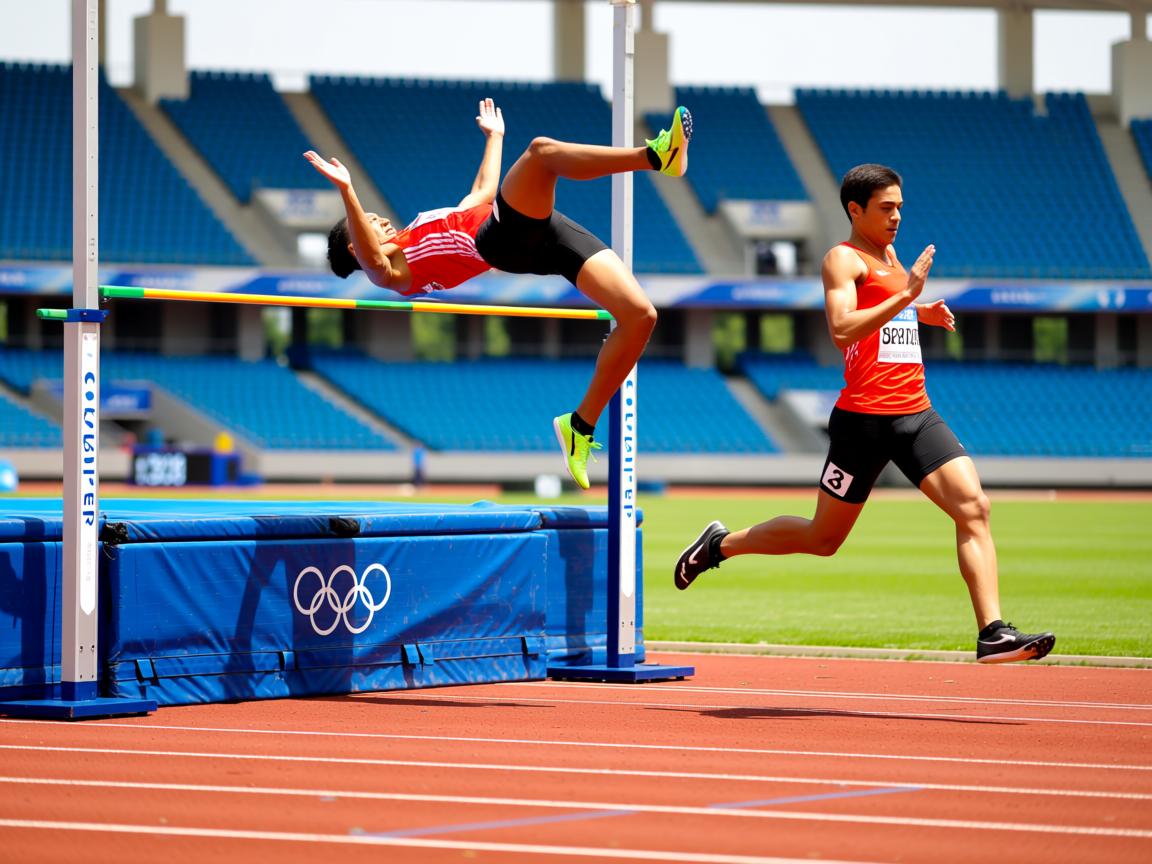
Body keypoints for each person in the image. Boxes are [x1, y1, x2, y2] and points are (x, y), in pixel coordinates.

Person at [674, 163, 1055, 665]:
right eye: (886, 208)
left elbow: (886, 304)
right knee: (822, 538)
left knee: (974, 508)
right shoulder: (842, 259)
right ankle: (720, 545)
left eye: (900, 206)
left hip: (916, 414)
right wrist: (906, 295)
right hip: (863, 424)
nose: (897, 216)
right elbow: (842, 327)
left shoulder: (891, 255)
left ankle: (992, 632)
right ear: (856, 210)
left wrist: (920, 310)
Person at [304, 98, 692, 490]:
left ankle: (580, 425)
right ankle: (657, 157)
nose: (383, 220)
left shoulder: (415, 231)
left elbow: (481, 193)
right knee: (541, 152)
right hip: (499, 241)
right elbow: (371, 259)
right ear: (355, 244)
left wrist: (495, 138)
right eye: (372, 222)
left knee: (641, 316)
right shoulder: (392, 273)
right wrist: (348, 191)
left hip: (532, 234)